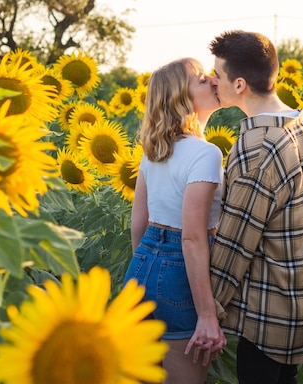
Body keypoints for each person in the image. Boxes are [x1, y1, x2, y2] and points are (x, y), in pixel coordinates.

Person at [208, 30, 303, 384]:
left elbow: (234, 245)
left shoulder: (256, 147)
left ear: (238, 85)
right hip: (302, 304)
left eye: (217, 75)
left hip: (266, 314)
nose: (211, 81)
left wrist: (205, 312)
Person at [124, 58, 226, 383]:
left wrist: (147, 272)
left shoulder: (153, 151)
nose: (212, 80)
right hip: (180, 274)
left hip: (140, 266)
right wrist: (207, 315)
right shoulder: (205, 153)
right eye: (201, 79)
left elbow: (138, 223)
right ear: (183, 100)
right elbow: (192, 237)